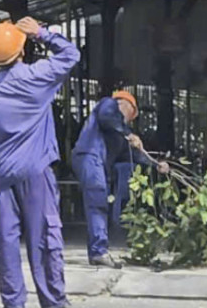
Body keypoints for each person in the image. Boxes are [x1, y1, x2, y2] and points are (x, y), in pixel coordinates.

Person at [0, 16, 80, 308]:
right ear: (21, 51)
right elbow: (71, 55)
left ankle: (13, 300)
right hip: (36, 170)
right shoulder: (37, 77)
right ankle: (53, 299)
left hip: (0, 174)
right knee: (43, 234)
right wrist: (42, 34)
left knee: (6, 238)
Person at [71, 89, 167, 268]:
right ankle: (98, 251)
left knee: (100, 202)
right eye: (132, 114)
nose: (131, 119)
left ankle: (98, 250)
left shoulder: (120, 135)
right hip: (90, 156)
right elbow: (107, 117)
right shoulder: (108, 103)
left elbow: (134, 155)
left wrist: (156, 165)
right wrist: (128, 133)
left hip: (99, 163)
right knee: (97, 200)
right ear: (126, 105)